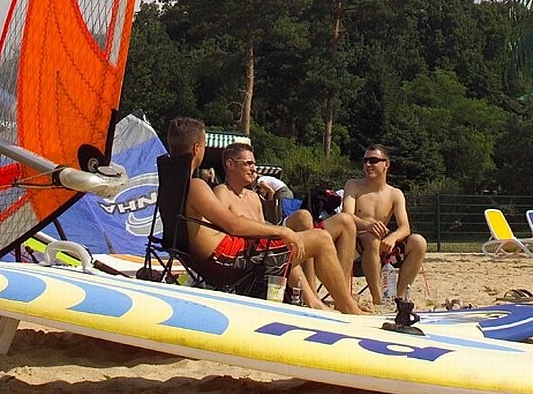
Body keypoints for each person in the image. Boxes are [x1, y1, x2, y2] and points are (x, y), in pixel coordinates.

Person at [165, 117, 364, 314]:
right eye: (205, 145)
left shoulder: (173, 183)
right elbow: (233, 224)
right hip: (227, 259)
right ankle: (347, 308)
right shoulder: (196, 185)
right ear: (197, 149)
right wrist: (281, 230)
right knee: (321, 239)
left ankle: (321, 302)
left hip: (218, 257)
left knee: (303, 236)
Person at [214, 142, 329, 309]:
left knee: (294, 243)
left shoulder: (253, 198)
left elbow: (262, 230)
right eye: (248, 163)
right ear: (230, 164)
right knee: (321, 238)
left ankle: (316, 300)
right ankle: (333, 304)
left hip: (264, 254)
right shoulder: (221, 193)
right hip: (245, 259)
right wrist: (281, 232)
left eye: (254, 163)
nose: (254, 169)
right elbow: (227, 229)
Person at [342, 144, 426, 306]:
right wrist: (367, 225)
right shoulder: (354, 185)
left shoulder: (395, 194)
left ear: (386, 164)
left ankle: (397, 298)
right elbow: (347, 215)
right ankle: (378, 298)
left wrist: (393, 237)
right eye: (365, 160)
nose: (367, 165)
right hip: (355, 248)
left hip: (383, 249)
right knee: (371, 238)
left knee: (418, 242)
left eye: (373, 161)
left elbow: (405, 227)